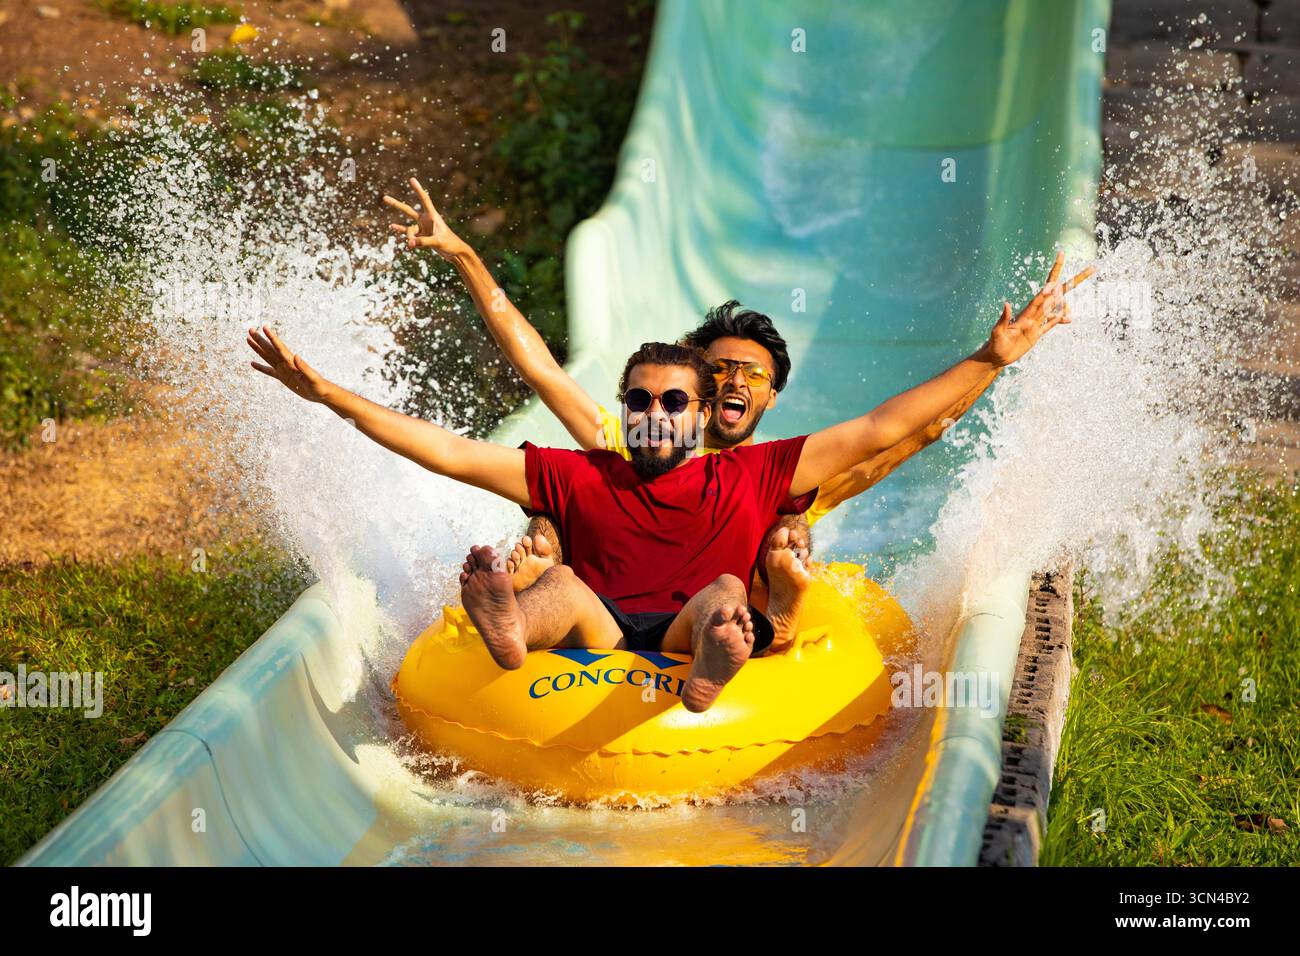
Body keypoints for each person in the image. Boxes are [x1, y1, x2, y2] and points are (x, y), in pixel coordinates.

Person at [245, 255, 1090, 712]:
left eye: (678, 399)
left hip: (701, 612)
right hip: (603, 625)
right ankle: (513, 623)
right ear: (627, 405)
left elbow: (884, 432)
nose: (662, 410)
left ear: (707, 410)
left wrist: (990, 358)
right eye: (644, 399)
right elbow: (445, 448)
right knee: (560, 578)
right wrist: (329, 395)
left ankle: (732, 648)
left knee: (736, 582)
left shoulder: (767, 473)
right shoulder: (585, 463)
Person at [381, 178, 1047, 648]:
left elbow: (910, 430)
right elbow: (541, 368)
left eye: (751, 375)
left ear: (770, 398)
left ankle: (778, 611)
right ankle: (532, 585)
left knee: (785, 543)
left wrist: (992, 360)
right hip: (614, 613)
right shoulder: (626, 441)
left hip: (718, 613)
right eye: (718, 369)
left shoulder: (777, 479)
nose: (733, 380)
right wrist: (466, 255)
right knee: (553, 529)